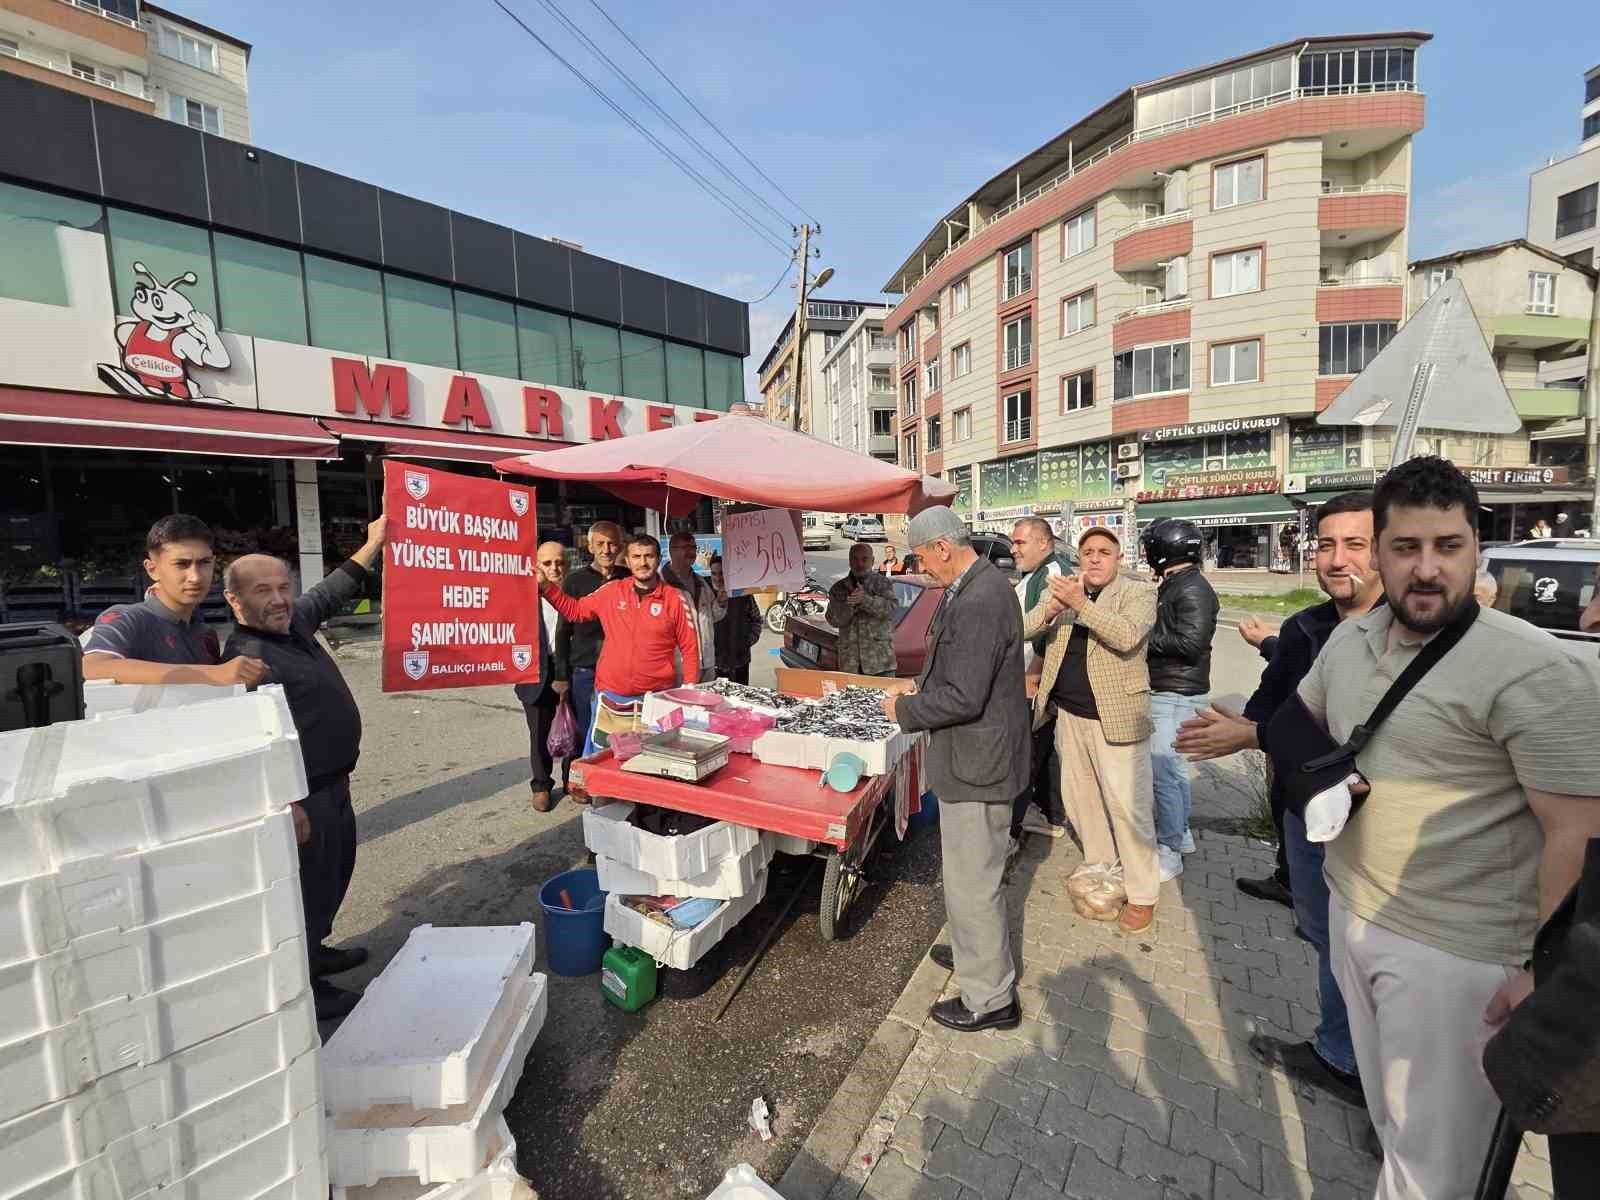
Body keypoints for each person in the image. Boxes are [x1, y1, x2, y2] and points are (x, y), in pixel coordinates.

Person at [1293, 458, 1600, 1198]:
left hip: (1459, 957)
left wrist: (1543, 974)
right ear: (1380, 551)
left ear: (1477, 548)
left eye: (1448, 547)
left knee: (1437, 1171)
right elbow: (1299, 723)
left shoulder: (1532, 667)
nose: (1427, 569)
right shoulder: (1353, 639)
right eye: (1406, 548)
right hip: (1354, 911)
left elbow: (1578, 833)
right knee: (1397, 1127)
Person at [1176, 490, 1384, 1109]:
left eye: (1356, 544)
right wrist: (1241, 727)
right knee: (1323, 935)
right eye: (1326, 544)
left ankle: (1392, 1092)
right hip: (1305, 813)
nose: (1337, 558)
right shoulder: (1304, 629)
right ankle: (1340, 1053)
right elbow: (1271, 705)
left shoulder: (1411, 632)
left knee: (1381, 957)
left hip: (1383, 833)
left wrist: (1255, 731)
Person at [221, 514, 388, 1021]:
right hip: (303, 799)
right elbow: (248, 746)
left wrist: (374, 541)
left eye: (283, 588)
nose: (278, 599)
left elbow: (331, 592)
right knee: (305, 891)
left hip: (335, 787)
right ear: (235, 600)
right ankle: (305, 988)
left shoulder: (292, 624)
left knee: (333, 878)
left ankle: (316, 950)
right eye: (262, 591)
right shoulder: (247, 658)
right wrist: (285, 801)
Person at [880, 505, 1030, 1032]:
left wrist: (902, 710)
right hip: (973, 756)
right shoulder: (972, 586)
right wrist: (917, 688)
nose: (922, 568)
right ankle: (975, 955)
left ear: (943, 546)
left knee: (973, 883)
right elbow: (955, 669)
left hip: (978, 763)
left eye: (922, 557)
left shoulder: (982, 598)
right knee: (969, 878)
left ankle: (990, 999)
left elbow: (964, 696)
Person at [1025, 528, 1160, 933]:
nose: (1095, 559)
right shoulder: (1067, 591)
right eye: (1088, 552)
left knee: (1128, 807)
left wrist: (1080, 604)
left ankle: (1142, 893)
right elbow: (1025, 628)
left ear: (1119, 558)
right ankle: (1099, 864)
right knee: (1081, 798)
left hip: (1116, 717)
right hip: (1069, 714)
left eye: (1104, 552)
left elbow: (1126, 635)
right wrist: (1051, 608)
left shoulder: (1138, 592)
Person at [541, 533, 698, 755]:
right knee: (604, 764)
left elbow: (690, 649)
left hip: (655, 701)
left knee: (649, 765)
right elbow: (575, 611)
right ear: (627, 559)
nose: (642, 563)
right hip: (611, 699)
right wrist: (547, 587)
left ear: (658, 558)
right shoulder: (612, 591)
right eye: (636, 556)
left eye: (649, 556)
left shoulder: (675, 598)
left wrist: (689, 694)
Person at [83, 514, 266, 687]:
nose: (195, 577)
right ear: (152, 569)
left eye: (204, 563)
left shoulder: (206, 635)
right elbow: (92, 667)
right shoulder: (128, 618)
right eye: (181, 564)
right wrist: (214, 674)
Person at [1141, 518, 1218, 882]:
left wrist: (1142, 636)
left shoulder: (1193, 589)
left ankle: (1169, 849)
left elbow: (1190, 643)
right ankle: (1182, 835)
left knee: (1164, 775)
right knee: (1174, 771)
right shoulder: (1178, 583)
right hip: (1173, 689)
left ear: (1165, 549)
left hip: (1174, 691)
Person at [1009, 517, 1073, 844]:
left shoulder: (1052, 573)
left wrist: (1034, 670)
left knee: (1028, 752)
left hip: (1033, 680)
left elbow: (1053, 628)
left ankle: (1017, 827)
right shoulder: (1035, 573)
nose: (1013, 549)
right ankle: (1045, 812)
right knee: (1040, 749)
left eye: (1020, 542)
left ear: (1044, 543)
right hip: (1026, 677)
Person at [554, 521, 627, 741]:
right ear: (590, 547)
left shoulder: (628, 579)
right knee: (589, 733)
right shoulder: (574, 581)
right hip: (586, 671)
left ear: (620, 546)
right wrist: (561, 676)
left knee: (621, 733)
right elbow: (562, 631)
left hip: (621, 671)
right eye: (601, 544)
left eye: (612, 544)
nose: (606, 550)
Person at [515, 542, 571, 813]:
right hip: (533, 673)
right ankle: (541, 786)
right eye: (547, 564)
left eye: (559, 562)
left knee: (573, 728)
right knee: (539, 733)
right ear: (536, 566)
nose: (554, 569)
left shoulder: (575, 594)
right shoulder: (520, 596)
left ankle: (573, 781)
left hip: (569, 671)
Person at [661, 530, 724, 683]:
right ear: (671, 551)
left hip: (706, 663)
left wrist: (721, 602)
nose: (691, 552)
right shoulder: (661, 584)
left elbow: (713, 616)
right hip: (678, 666)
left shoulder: (700, 581)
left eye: (693, 547)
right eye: (685, 547)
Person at [826, 543, 897, 676]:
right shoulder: (838, 589)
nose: (860, 563)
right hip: (850, 665)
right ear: (849, 561)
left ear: (873, 561)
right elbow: (833, 620)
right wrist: (849, 605)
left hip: (880, 664)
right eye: (855, 559)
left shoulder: (883, 584)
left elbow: (891, 611)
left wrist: (865, 600)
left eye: (864, 559)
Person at [709, 555, 761, 684]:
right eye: (714, 573)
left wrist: (746, 641)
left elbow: (756, 620)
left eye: (722, 573)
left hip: (740, 662)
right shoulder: (706, 593)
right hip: (714, 664)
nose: (718, 578)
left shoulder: (743, 594)